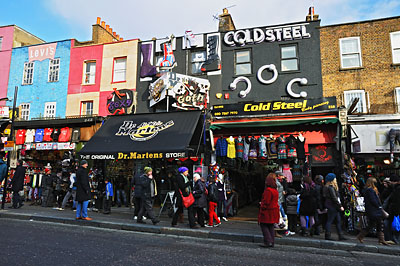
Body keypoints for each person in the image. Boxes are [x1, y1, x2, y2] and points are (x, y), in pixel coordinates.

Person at [356, 177, 389, 245]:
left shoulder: (367, 190)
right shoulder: (370, 190)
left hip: (371, 210)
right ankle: (381, 239)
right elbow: (373, 200)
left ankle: (361, 236)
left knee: (372, 224)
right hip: (374, 210)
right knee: (378, 224)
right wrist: (379, 206)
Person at [323, 173, 347, 241]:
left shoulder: (327, 187)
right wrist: (340, 206)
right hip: (333, 206)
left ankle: (340, 235)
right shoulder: (330, 188)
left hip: (333, 206)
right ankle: (328, 235)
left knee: (337, 220)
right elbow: (334, 198)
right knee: (331, 220)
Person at [258, 173, 280, 248]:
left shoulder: (268, 190)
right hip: (273, 210)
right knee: (270, 226)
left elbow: (266, 202)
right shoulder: (275, 190)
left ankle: (268, 241)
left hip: (267, 211)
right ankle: (272, 241)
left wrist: (261, 205)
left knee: (264, 225)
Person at [387, 174, 400, 244]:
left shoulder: (397, 189)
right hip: (395, 210)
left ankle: (395, 239)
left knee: (395, 225)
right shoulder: (395, 188)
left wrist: (395, 212)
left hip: (396, 211)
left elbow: (396, 201)